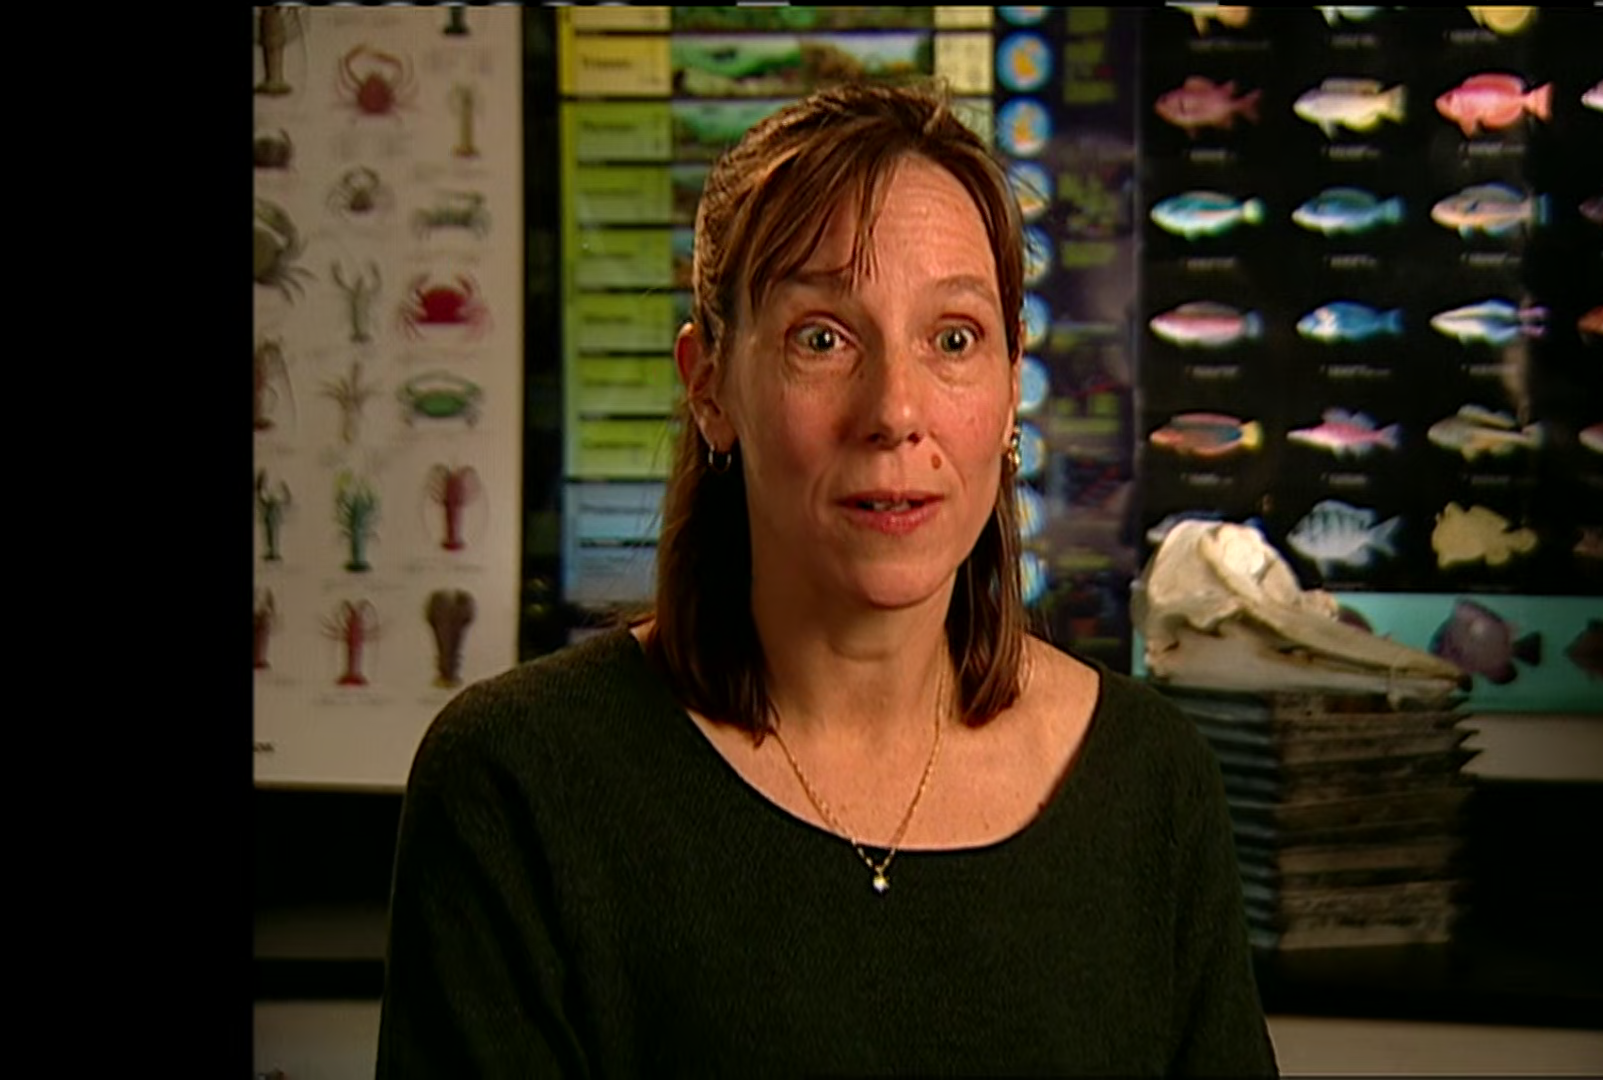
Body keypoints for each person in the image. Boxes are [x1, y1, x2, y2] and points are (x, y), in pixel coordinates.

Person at [376, 80, 1279, 1077]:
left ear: (1011, 387)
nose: (895, 411)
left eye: (953, 339)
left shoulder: (1152, 786)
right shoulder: (517, 788)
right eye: (823, 338)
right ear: (709, 386)